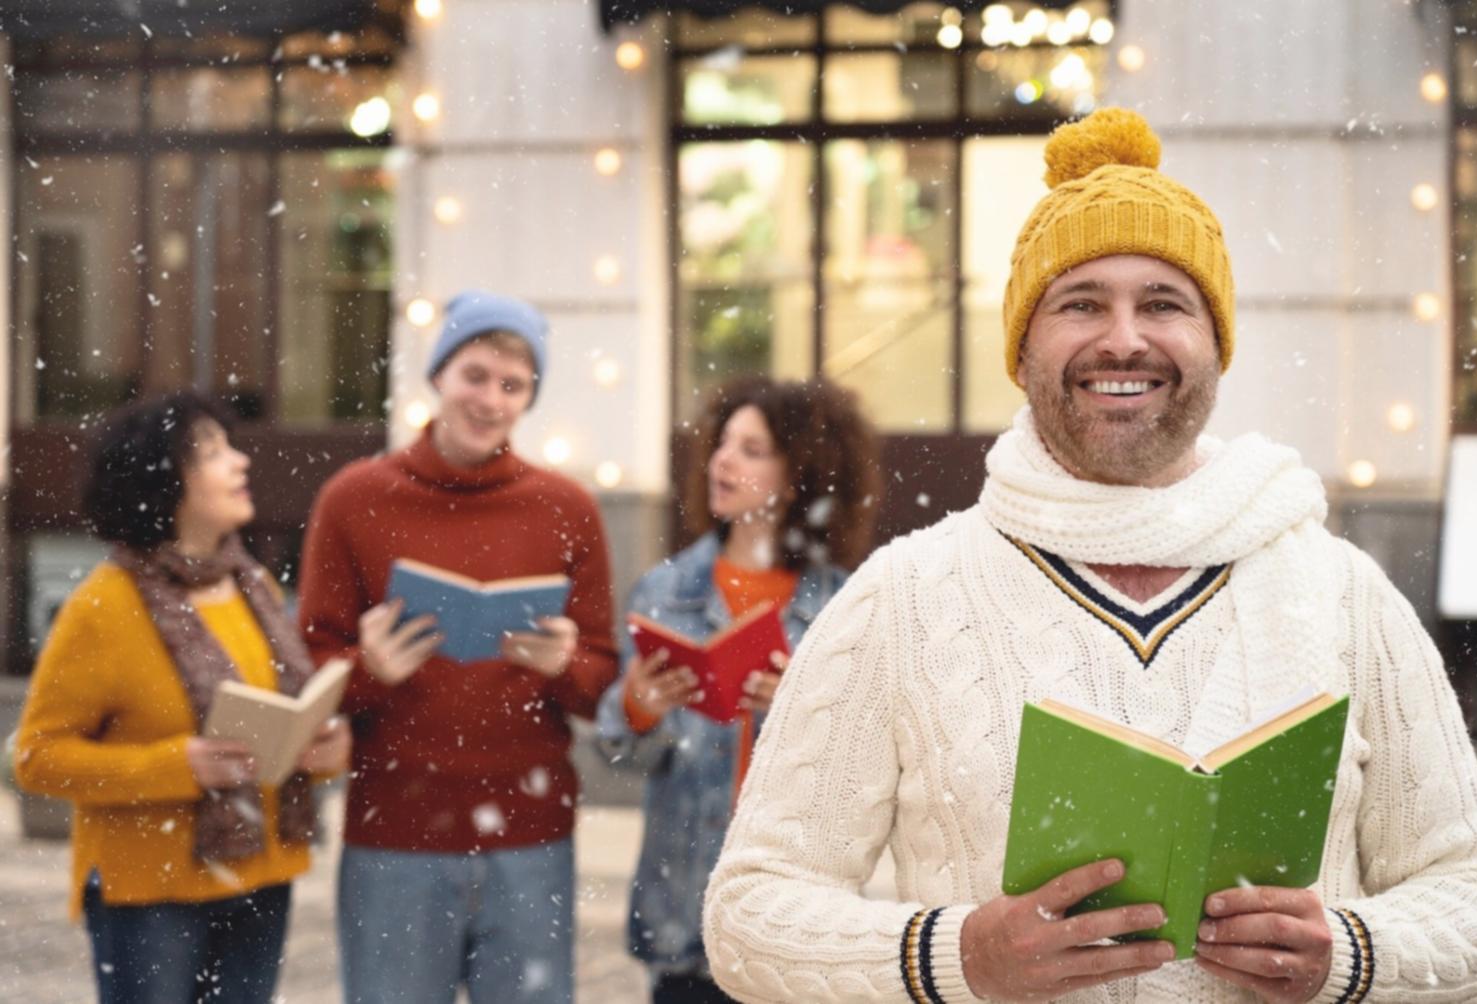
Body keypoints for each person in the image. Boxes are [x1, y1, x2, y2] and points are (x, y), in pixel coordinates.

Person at [703, 108, 1477, 1003]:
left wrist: (1349, 954)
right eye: (1080, 303)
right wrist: (956, 956)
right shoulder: (903, 596)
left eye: (1163, 303)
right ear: (1021, 351)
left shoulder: (1342, 593)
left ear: (1215, 346)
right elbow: (748, 915)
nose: (1123, 339)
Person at [298, 290, 618, 1004]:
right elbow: (309, 668)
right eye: (475, 375)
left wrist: (564, 665)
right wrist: (367, 670)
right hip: (395, 834)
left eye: (513, 385)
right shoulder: (353, 500)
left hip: (530, 836)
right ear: (438, 373)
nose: (491, 400)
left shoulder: (567, 509)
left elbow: (602, 681)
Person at [14, 391, 350, 1004]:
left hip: (261, 877)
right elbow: (37, 757)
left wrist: (321, 750)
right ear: (164, 481)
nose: (241, 462)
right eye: (214, 453)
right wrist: (177, 766)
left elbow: (276, 722)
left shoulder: (252, 587)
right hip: (152, 895)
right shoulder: (103, 606)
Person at [597, 376, 880, 1003]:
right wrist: (638, 711)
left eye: (751, 450)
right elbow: (618, 755)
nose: (722, 462)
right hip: (686, 917)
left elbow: (868, 776)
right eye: (722, 444)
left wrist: (802, 712)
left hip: (801, 923)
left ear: (798, 475)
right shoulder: (665, 593)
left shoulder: (844, 605)